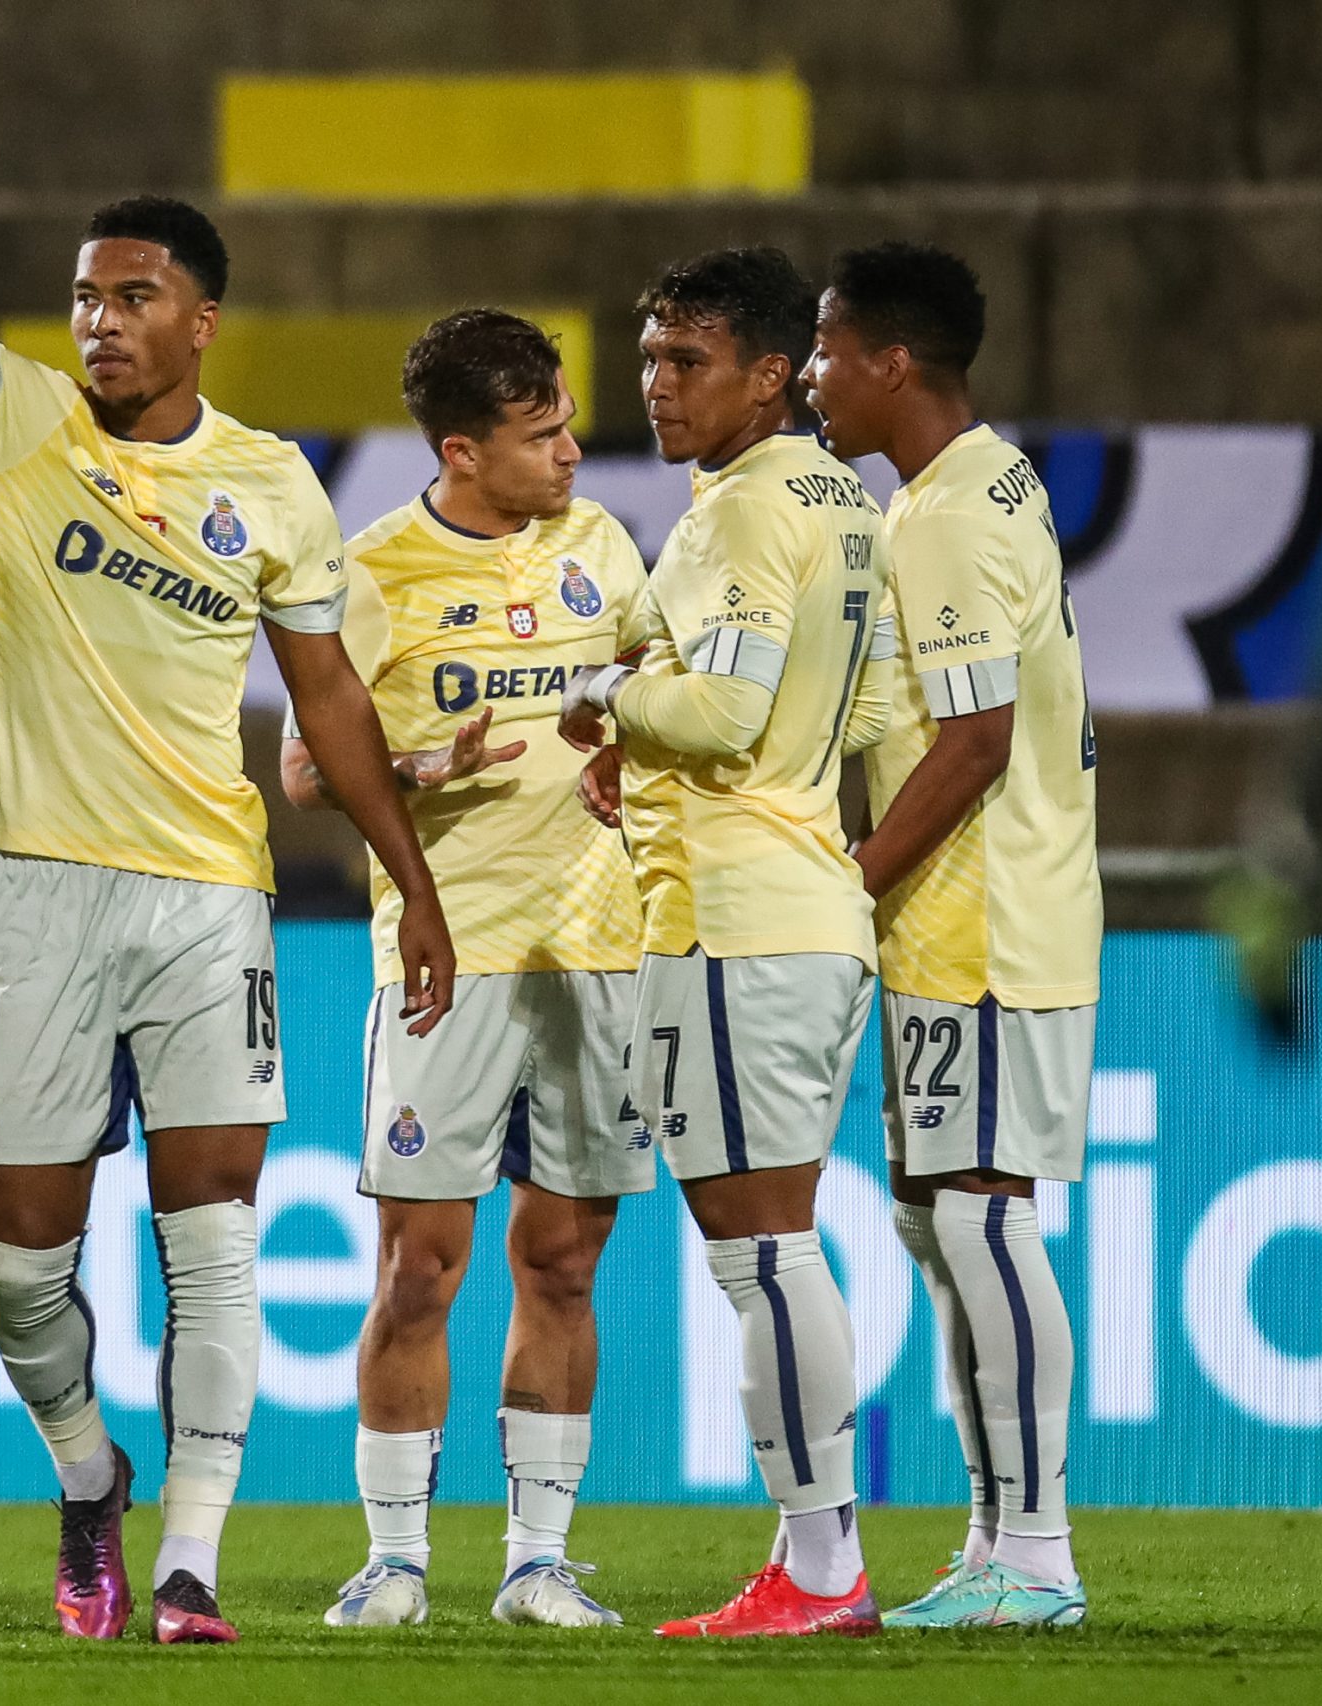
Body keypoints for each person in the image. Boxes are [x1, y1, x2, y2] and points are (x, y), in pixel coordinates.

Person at [0, 29, 453, 1644]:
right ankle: (90, 1478)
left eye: (132, 297)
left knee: (213, 1237)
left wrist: (410, 882)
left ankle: (192, 1561)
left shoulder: (271, 484)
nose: (99, 321)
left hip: (212, 897)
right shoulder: (23, 428)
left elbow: (329, 698)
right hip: (40, 893)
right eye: (84, 297)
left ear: (201, 321)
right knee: (20, 1266)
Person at [281, 310, 653, 1630]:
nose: (570, 452)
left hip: (600, 952)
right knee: (419, 1268)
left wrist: (634, 747)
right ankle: (393, 1561)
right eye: (540, 434)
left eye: (567, 426)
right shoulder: (374, 569)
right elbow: (304, 771)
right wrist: (423, 765)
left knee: (563, 1262)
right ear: (461, 450)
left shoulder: (601, 544)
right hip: (449, 961)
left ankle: (538, 1562)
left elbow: (655, 689)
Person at [557, 246, 894, 1638]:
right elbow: (865, 710)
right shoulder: (844, 501)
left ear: (769, 375)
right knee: (774, 1245)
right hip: (807, 903)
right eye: (650, 359)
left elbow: (727, 713)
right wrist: (644, 726)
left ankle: (821, 1570)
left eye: (687, 362)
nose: (657, 385)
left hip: (733, 924)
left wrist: (606, 698)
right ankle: (813, 1557)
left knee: (762, 1253)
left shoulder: (742, 514)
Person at [803, 242, 1097, 1629]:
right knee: (939, 1220)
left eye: (827, 350)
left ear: (893, 361)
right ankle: (993, 1537)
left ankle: (1037, 1554)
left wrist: (849, 882)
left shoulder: (946, 518)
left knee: (982, 1215)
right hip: (967, 918)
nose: (813, 376)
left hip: (984, 920)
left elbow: (975, 739)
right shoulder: (981, 483)